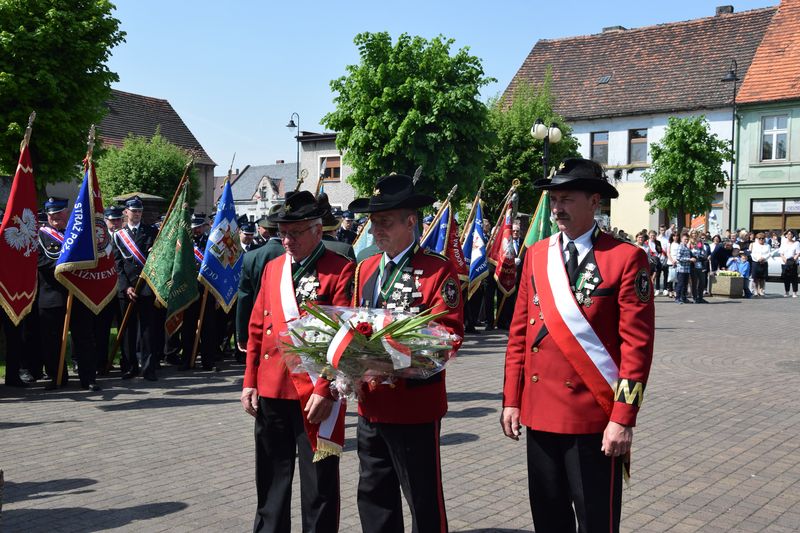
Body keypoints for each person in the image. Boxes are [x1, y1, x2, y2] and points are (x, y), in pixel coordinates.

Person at [501, 158, 654, 533]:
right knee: (549, 520)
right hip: (539, 414)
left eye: (567, 199)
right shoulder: (537, 255)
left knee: (594, 521)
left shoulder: (625, 258)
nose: (557, 209)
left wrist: (623, 417)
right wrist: (511, 399)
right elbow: (519, 334)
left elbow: (637, 346)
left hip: (593, 418)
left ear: (595, 202)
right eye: (554, 199)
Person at [348, 174, 464, 533]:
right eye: (374, 221)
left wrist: (394, 359)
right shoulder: (366, 267)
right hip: (371, 405)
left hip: (414, 407)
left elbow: (448, 337)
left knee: (422, 499)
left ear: (410, 222)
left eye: (385, 221)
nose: (377, 229)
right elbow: (354, 324)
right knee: (374, 495)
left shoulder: (436, 269)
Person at [241, 191, 354, 533]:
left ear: (318, 231)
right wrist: (250, 381)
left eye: (295, 232)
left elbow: (345, 338)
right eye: (283, 232)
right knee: (272, 478)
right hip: (273, 388)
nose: (286, 240)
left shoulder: (340, 270)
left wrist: (325, 389)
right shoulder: (274, 267)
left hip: (315, 395)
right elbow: (257, 327)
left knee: (318, 483)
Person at [114, 196, 159, 381]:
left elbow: (157, 260)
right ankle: (129, 366)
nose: (137, 214)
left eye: (140, 211)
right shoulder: (119, 235)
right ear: (126, 212)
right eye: (134, 211)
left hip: (146, 288)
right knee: (127, 331)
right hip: (127, 290)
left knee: (148, 330)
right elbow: (117, 265)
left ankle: (148, 368)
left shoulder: (152, 232)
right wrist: (126, 287)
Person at [235, 205, 284, 359]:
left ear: (267, 230)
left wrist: (242, 335)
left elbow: (244, 298)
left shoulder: (252, 256)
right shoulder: (295, 254)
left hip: (260, 320)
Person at [779, 229, 800, 297]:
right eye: (788, 234)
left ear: (793, 235)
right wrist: (785, 260)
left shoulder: (796, 243)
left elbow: (798, 253)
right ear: (786, 235)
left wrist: (792, 260)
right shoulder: (783, 243)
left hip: (793, 262)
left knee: (794, 278)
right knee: (786, 278)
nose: (789, 235)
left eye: (791, 234)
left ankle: (794, 292)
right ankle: (787, 291)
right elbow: (781, 253)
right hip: (785, 262)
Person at [750, 232, 771, 297]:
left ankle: (761, 290)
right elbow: (752, 253)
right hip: (756, 262)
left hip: (764, 262)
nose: (761, 240)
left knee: (762, 278)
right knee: (755, 278)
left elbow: (769, 254)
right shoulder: (753, 245)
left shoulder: (767, 246)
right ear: (757, 239)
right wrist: (758, 258)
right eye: (759, 238)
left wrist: (763, 258)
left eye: (763, 238)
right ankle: (755, 290)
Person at [674, 233, 692, 304]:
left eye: (687, 239)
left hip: (687, 269)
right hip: (681, 269)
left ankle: (684, 298)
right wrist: (689, 259)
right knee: (680, 284)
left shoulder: (686, 247)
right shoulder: (680, 247)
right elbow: (678, 258)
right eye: (685, 239)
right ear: (681, 239)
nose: (686, 240)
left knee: (685, 285)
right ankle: (677, 298)